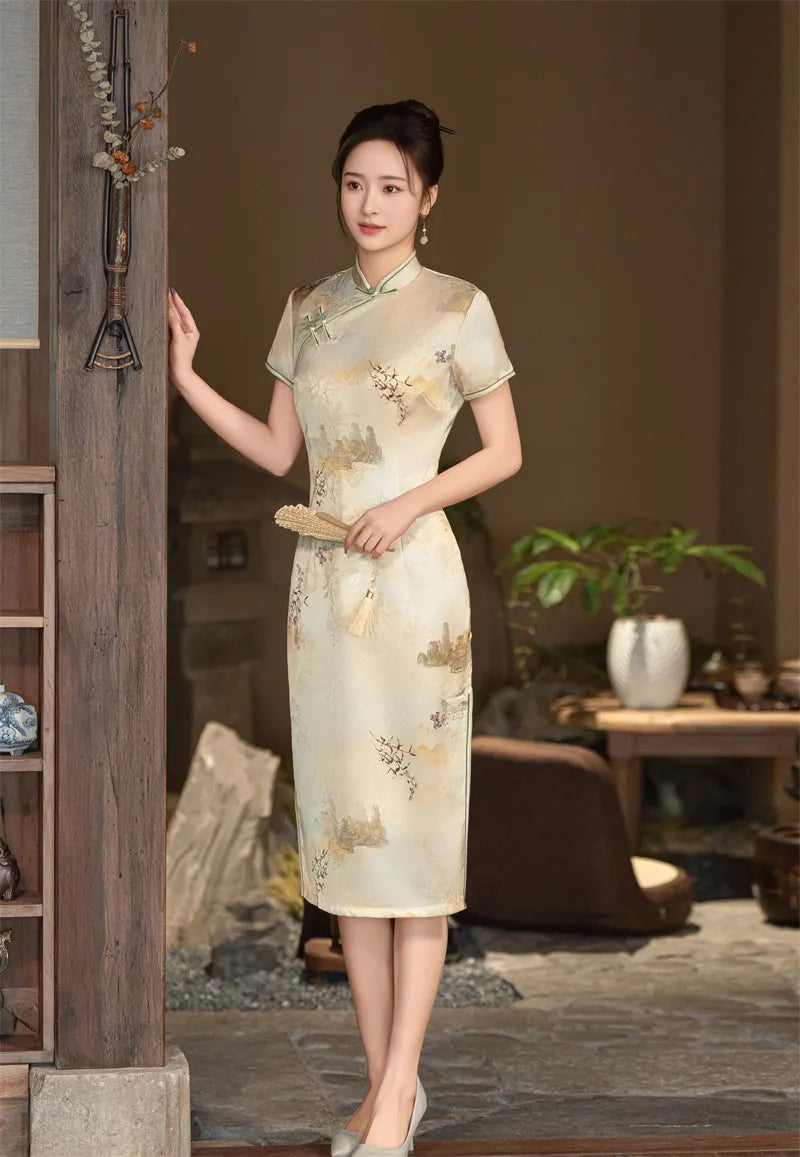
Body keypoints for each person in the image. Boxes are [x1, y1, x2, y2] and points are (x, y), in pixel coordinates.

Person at [168, 98, 522, 1157]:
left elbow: (501, 450)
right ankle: (385, 1092)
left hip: (413, 600)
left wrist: (408, 501)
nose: (369, 204)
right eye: (354, 182)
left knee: (411, 849)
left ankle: (397, 1086)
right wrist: (187, 376)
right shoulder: (308, 309)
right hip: (322, 600)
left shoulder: (460, 308)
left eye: (391, 186)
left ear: (427, 199)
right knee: (351, 856)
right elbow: (278, 452)